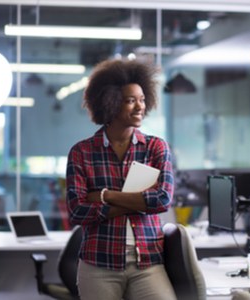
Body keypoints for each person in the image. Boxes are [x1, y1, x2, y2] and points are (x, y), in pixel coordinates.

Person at [65, 58, 176, 300]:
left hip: (148, 261)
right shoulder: (82, 152)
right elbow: (77, 211)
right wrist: (137, 203)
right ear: (110, 103)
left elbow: (162, 200)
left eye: (142, 99)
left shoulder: (156, 147)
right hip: (98, 264)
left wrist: (106, 196)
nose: (140, 107)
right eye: (130, 101)